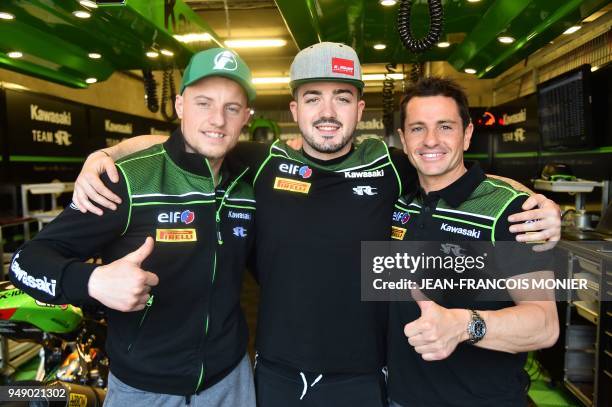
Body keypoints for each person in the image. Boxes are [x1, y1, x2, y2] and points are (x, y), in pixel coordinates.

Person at [69, 43, 561, 407]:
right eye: (313, 98)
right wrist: (105, 153)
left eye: (342, 98)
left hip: (366, 378)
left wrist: (533, 200)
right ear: (294, 109)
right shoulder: (262, 163)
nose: (327, 112)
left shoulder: (391, 165)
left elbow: (446, 165)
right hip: (277, 374)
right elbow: (195, 137)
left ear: (360, 110)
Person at [9, 48, 257, 407]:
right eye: (203, 103)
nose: (218, 119)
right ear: (180, 106)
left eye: (232, 108)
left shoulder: (250, 180)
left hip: (232, 382)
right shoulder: (126, 180)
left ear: (246, 116)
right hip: (144, 391)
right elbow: (26, 261)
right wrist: (93, 282)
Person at [387, 77, 559, 407]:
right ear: (404, 140)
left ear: (466, 135)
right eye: (418, 128)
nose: (431, 140)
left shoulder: (511, 211)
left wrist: (466, 325)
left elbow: (545, 325)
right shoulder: (400, 199)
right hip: (400, 398)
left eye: (445, 127)